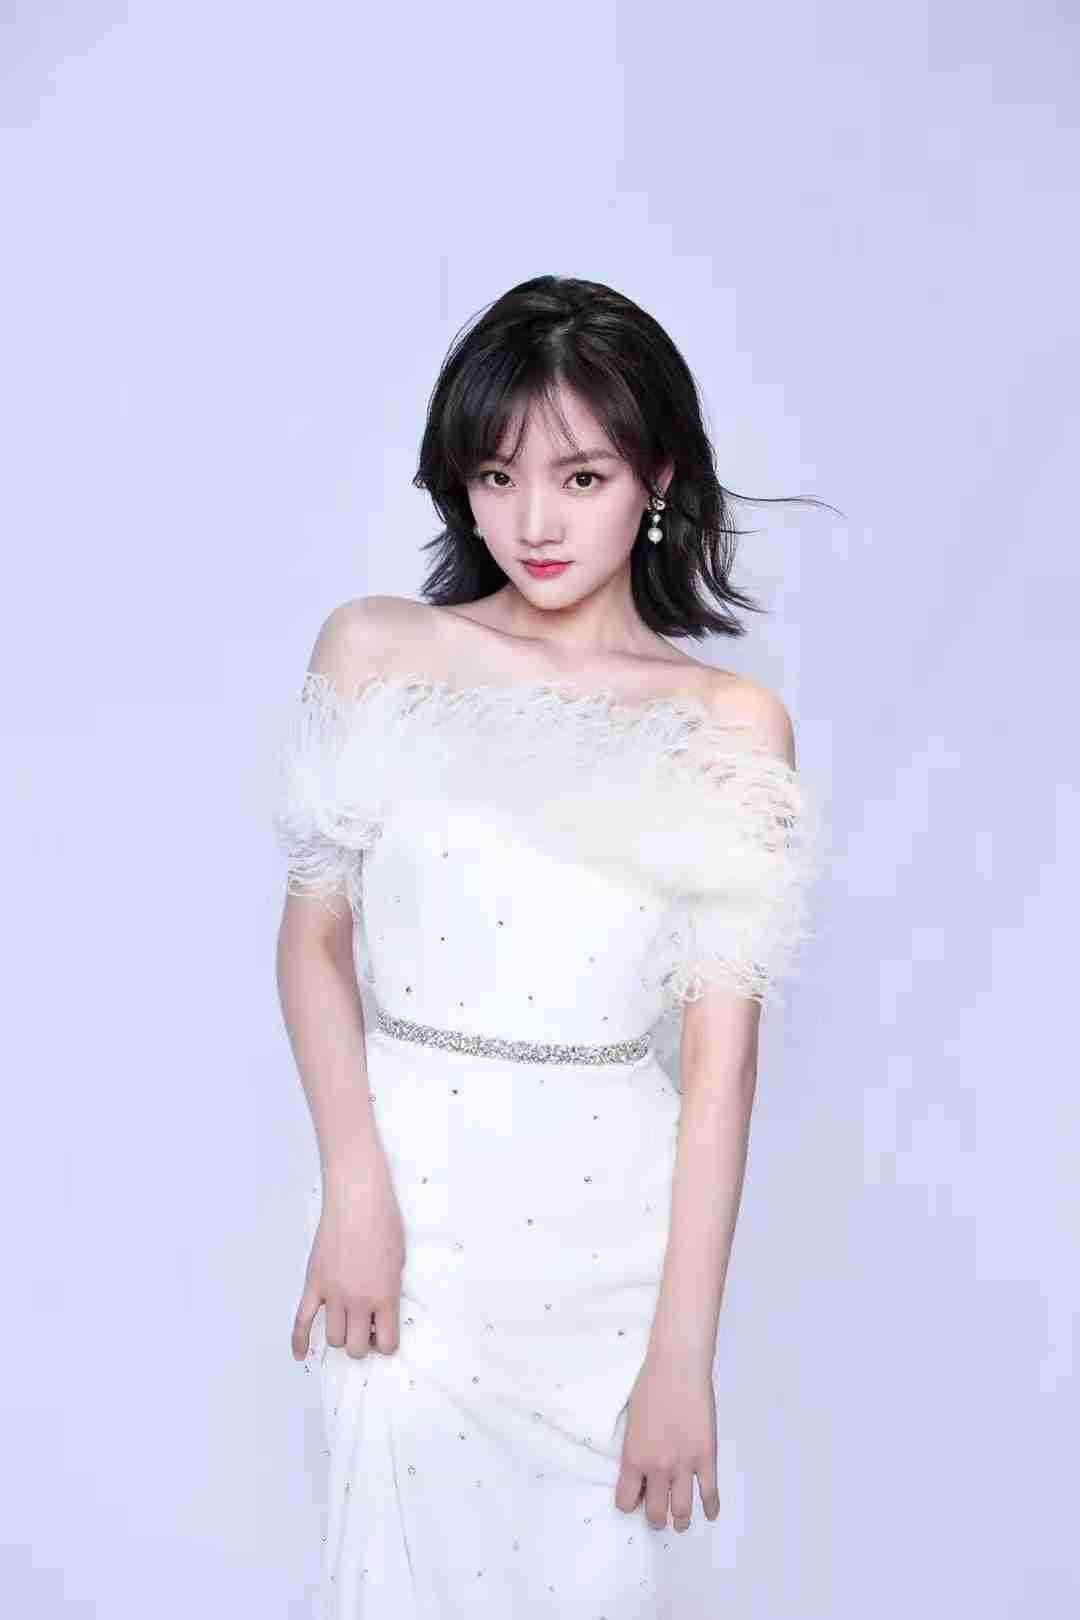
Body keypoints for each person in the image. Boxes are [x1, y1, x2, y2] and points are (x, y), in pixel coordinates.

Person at [273, 274, 825, 1617]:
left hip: (605, 1255)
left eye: (581, 478)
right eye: (496, 476)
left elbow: (723, 1068)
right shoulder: (376, 651)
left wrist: (683, 1355)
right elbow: (312, 941)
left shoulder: (728, 724)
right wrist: (353, 1187)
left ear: (657, 479)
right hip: (406, 1220)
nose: (533, 523)